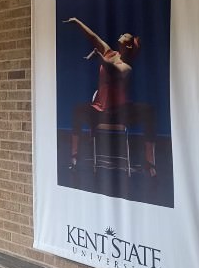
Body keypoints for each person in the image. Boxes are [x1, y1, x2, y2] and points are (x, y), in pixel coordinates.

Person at [63, 17, 157, 176]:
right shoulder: (109, 52)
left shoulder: (127, 66)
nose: (122, 33)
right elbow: (93, 37)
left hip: (119, 113)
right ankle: (74, 158)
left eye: (126, 35)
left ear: (127, 44)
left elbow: (114, 70)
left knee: (149, 111)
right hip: (100, 111)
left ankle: (150, 162)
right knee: (77, 110)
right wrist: (77, 21)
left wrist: (99, 57)